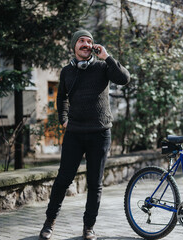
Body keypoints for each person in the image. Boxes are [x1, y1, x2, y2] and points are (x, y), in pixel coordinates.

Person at [39, 29, 130, 240]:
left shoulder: (102, 67)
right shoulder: (67, 72)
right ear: (74, 46)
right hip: (75, 133)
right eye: (82, 41)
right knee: (63, 180)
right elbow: (61, 98)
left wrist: (107, 57)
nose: (86, 44)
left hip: (100, 133)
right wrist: (64, 119)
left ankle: (89, 227)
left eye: (89, 41)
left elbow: (124, 78)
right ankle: (49, 222)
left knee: (95, 183)